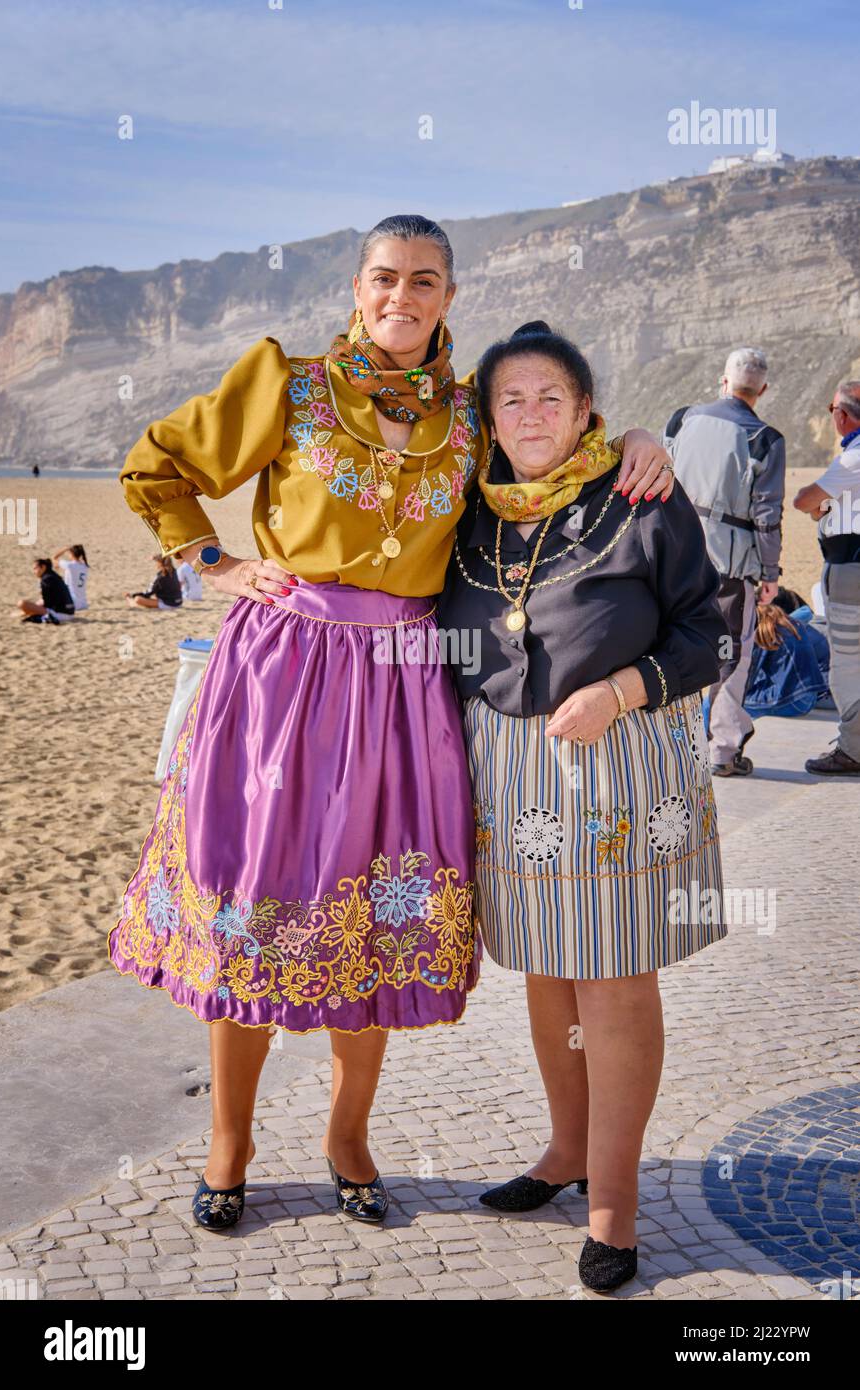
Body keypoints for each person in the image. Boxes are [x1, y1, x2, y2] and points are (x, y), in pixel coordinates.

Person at [107, 214, 675, 1235]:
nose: (400, 297)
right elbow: (155, 466)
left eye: (423, 280)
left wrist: (641, 438)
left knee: (367, 920)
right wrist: (217, 562)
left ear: (448, 296)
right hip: (282, 673)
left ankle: (347, 1138)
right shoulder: (288, 383)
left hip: (406, 684)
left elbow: (559, 451)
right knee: (253, 910)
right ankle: (228, 1143)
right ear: (355, 287)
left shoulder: (471, 413)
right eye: (383, 278)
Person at [437, 322, 728, 1292]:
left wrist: (623, 689)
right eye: (508, 400)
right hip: (509, 772)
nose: (528, 415)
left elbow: (709, 634)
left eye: (548, 398)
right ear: (485, 418)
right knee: (546, 973)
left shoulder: (639, 494)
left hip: (616, 757)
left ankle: (613, 1203)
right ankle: (563, 1149)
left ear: (585, 410)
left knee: (609, 981)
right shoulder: (467, 511)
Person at [665, 348, 786, 778]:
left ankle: (672, 742)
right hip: (729, 569)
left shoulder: (682, 419)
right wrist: (769, 575)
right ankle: (722, 749)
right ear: (762, 390)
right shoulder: (765, 439)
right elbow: (767, 517)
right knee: (729, 655)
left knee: (672, 641)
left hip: (675, 555)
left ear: (723, 382)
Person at [793, 380, 860, 775]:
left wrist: (821, 507)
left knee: (847, 664)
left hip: (850, 567)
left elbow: (804, 498)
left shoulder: (853, 458)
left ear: (841, 415)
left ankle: (853, 749)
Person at [743, 592, 832, 720]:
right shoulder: (793, 624)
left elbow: (748, 677)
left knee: (727, 701)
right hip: (811, 697)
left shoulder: (764, 632)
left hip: (808, 698)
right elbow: (805, 612)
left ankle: (708, 736)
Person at [16, 557, 76, 624]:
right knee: (37, 603)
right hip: (69, 613)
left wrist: (32, 608)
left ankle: (30, 613)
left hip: (59, 614)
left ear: (43, 567)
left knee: (22, 603)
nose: (34, 572)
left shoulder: (46, 579)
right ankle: (27, 613)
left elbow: (47, 603)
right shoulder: (54, 576)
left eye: (35, 568)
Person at [52, 544, 90, 611]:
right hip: (83, 603)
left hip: (72, 602)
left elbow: (54, 558)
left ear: (71, 554)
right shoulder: (85, 566)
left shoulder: (69, 565)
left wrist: (65, 549)